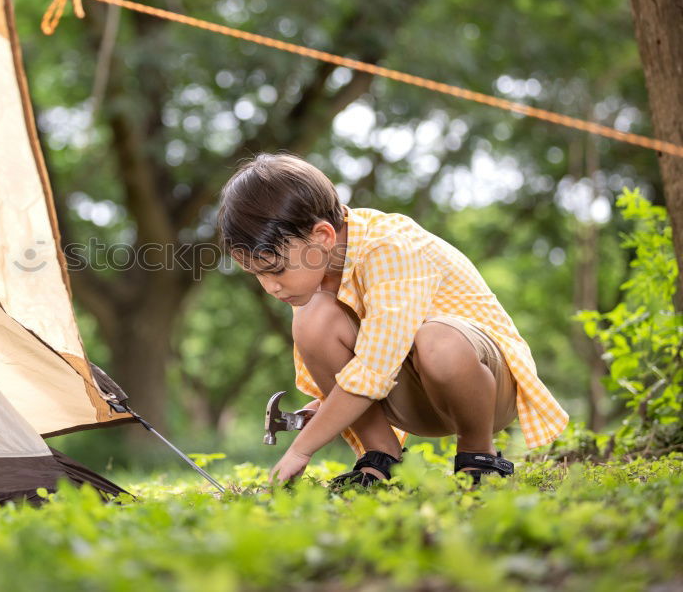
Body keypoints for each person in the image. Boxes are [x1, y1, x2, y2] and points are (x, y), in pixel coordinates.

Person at [216, 153, 568, 486]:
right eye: (256, 274)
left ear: (322, 236)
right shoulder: (312, 275)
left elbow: (375, 367)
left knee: (437, 340)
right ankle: (380, 458)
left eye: (276, 270)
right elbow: (374, 361)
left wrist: (302, 448)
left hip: (485, 387)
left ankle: (478, 455)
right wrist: (325, 408)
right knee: (314, 318)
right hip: (410, 396)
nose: (271, 287)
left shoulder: (390, 248)